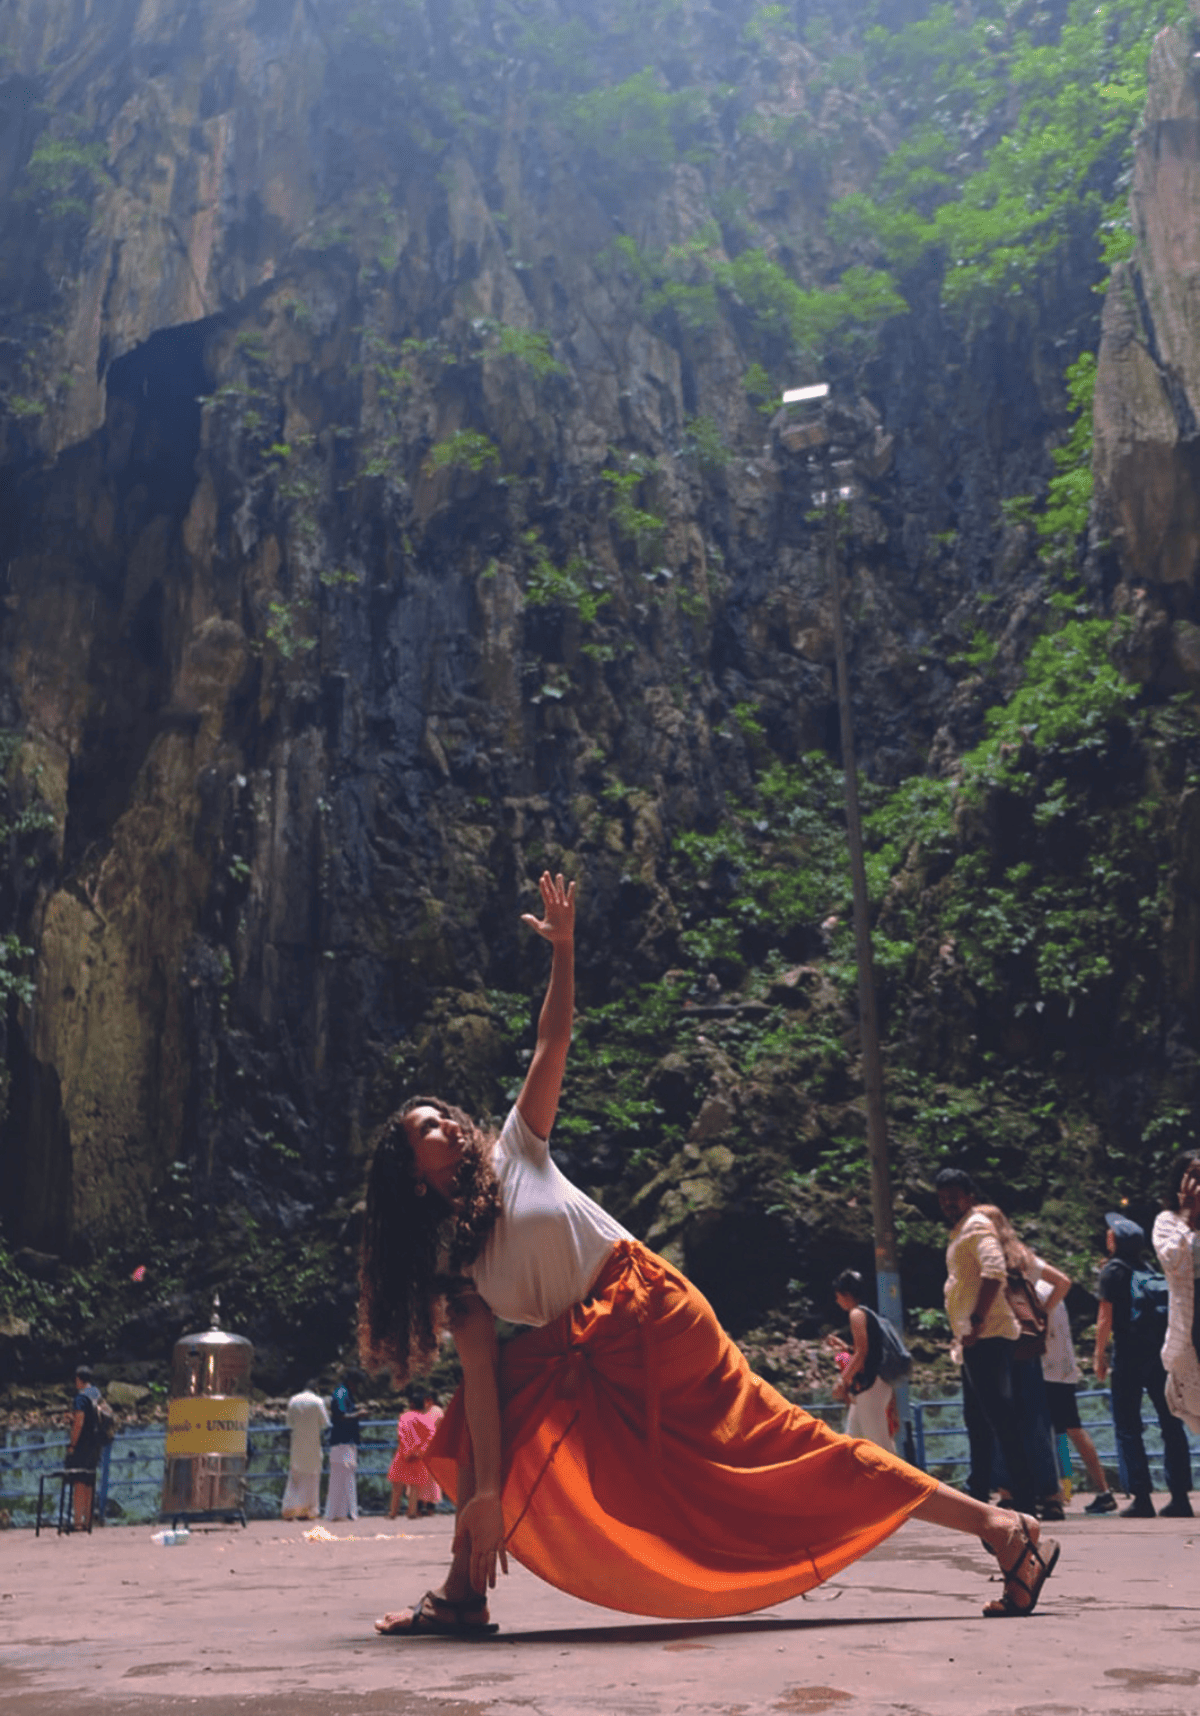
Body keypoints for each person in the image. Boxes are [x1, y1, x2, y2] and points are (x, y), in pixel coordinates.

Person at [359, 872, 1061, 1638]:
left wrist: (563, 950)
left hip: (648, 1312)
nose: (447, 1126)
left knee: (794, 1447)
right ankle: (464, 1592)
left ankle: (1001, 1527)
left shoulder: (516, 1151)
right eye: (426, 1128)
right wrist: (488, 1491)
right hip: (587, 1359)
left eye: (443, 1116)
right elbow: (486, 1383)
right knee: (471, 1420)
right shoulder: (457, 1272)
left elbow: (551, 1040)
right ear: (412, 1180)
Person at [935, 1170, 1037, 1517]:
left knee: (998, 1419)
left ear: (969, 1196)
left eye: (954, 1195)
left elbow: (994, 1271)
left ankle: (1023, 1497)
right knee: (979, 1419)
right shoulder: (963, 1228)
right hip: (973, 1340)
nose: (948, 1202)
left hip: (987, 1336)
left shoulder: (977, 1225)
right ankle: (979, 1491)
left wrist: (976, 1321)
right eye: (943, 1197)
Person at [1095, 1211, 1193, 1518]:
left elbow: (1104, 1318)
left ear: (1116, 1240)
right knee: (1171, 1424)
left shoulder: (1113, 1271)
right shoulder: (1149, 1268)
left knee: (1128, 1426)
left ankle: (1142, 1498)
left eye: (1110, 1232)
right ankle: (1179, 1498)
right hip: (1158, 1355)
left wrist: (1099, 1355)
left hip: (1127, 1357)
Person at [975, 1205, 1069, 1521]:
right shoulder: (1021, 1256)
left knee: (1000, 1418)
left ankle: (1009, 1491)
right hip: (1027, 1346)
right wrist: (1042, 1311)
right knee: (1036, 1420)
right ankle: (1051, 1493)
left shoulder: (984, 1256)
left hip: (997, 1344)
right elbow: (1063, 1281)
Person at [1032, 1272, 1115, 1514]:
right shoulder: (1051, 1288)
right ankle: (1101, 1490)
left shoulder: (1035, 1290)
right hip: (1064, 1369)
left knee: (1044, 1431)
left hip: (1044, 1369)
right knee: (1071, 1430)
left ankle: (1053, 1492)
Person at [1152, 1154, 1200, 1437]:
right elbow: (1170, 1258)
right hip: (1193, 1322)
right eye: (1193, 1176)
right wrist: (1187, 1215)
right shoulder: (1167, 1221)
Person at [829, 1270, 896, 1453]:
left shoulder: (856, 1314)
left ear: (846, 1295)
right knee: (852, 1440)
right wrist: (846, 1349)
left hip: (870, 1386)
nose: (837, 1301)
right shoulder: (869, 1314)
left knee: (880, 1446)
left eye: (838, 1296)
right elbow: (866, 1350)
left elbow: (862, 1353)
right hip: (872, 1386)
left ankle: (902, 1480)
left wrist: (842, 1380)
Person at [388, 1385, 444, 1519]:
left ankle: (393, 1512)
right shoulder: (425, 1419)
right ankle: (412, 1511)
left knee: (397, 1484)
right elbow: (431, 1436)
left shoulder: (404, 1416)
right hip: (418, 1455)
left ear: (411, 1404)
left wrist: (407, 1450)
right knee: (415, 1485)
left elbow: (400, 1434)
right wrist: (421, 1451)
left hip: (403, 1454)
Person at [281, 1382, 330, 1520]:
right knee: (312, 1478)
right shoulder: (318, 1402)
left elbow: (289, 1423)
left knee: (295, 1477)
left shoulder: (293, 1400)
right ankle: (309, 1510)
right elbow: (325, 1423)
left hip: (297, 1443)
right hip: (313, 1443)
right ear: (316, 1389)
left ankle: (290, 1509)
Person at [325, 1374, 367, 1522]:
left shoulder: (343, 1393)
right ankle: (349, 1512)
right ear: (351, 1382)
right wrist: (358, 1414)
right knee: (347, 1475)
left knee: (340, 1476)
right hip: (343, 1440)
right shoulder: (341, 1393)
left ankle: (338, 1512)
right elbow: (341, 1415)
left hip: (343, 1441)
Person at [65, 1364, 102, 1532]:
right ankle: (88, 1520)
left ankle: (78, 1520)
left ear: (78, 1379)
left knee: (79, 1481)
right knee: (89, 1481)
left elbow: (80, 1421)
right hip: (96, 1442)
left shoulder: (80, 1398)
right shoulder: (96, 1393)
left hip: (83, 1444)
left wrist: (72, 1443)